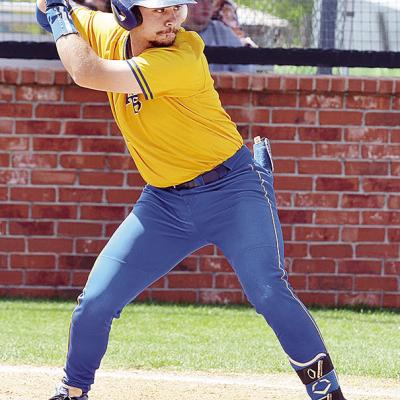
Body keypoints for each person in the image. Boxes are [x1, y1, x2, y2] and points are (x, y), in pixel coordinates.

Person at [35, 0, 347, 399]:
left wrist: (60, 15)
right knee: (95, 302)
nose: (171, 17)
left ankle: (327, 393)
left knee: (267, 290)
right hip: (163, 205)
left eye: (176, 7)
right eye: (158, 9)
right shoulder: (108, 32)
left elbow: (85, 71)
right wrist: (52, 7)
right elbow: (46, 13)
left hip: (233, 192)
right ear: (127, 13)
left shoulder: (184, 54)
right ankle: (73, 391)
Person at [183, 0, 252, 72]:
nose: (206, 6)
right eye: (201, 1)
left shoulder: (222, 32)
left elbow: (244, 69)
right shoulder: (174, 32)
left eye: (210, 1)